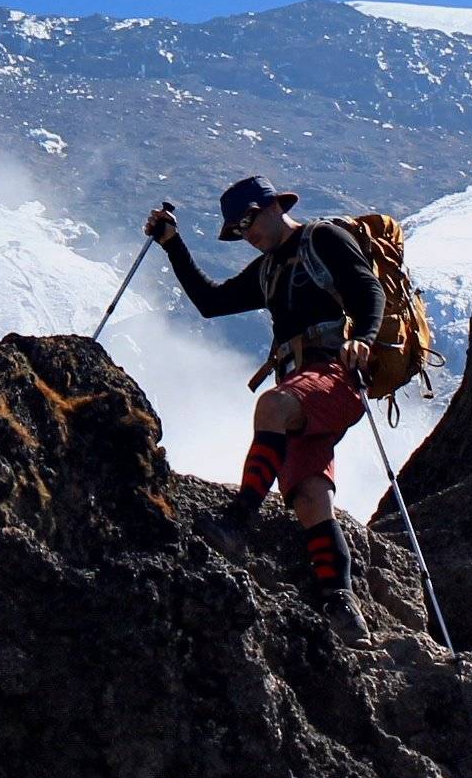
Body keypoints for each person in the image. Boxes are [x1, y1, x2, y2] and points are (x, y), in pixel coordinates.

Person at [147, 175, 386, 626]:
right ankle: (342, 606)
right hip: (304, 384)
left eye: (249, 220)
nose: (247, 233)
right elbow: (211, 302)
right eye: (238, 230)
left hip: (334, 373)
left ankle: (238, 522)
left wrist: (366, 341)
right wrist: (172, 244)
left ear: (276, 207)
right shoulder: (270, 268)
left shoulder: (323, 239)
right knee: (309, 495)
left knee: (272, 406)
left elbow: (370, 290)